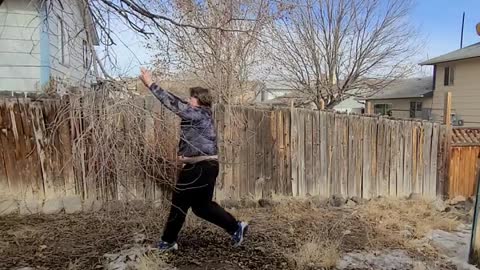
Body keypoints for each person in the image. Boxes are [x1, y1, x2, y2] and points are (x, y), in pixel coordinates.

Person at [139, 68, 248, 251]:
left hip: (199, 167)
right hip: (207, 166)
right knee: (202, 207)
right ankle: (236, 227)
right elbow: (179, 102)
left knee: (179, 204)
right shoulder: (201, 114)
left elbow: (173, 104)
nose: (188, 100)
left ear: (199, 101)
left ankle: (167, 241)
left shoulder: (197, 114)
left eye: (191, 98)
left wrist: (150, 84)